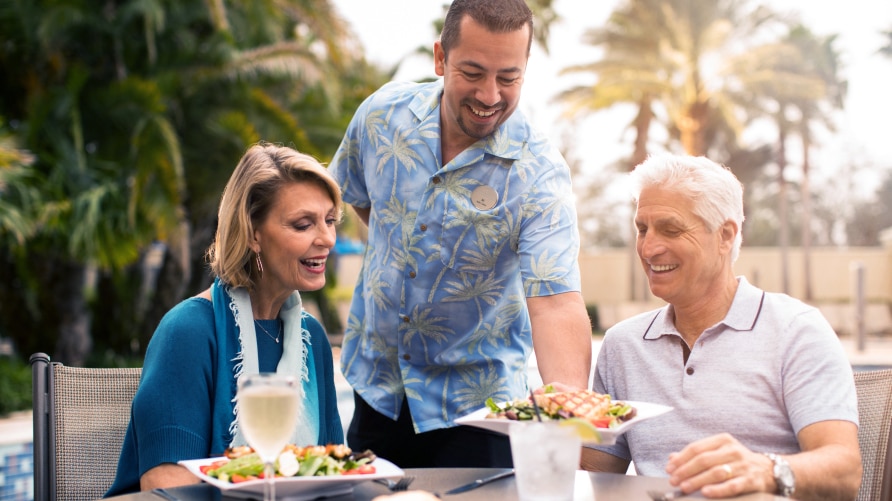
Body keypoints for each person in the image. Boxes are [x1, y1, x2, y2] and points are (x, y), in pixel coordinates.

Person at [329, 0, 592, 468]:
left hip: (478, 415)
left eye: (508, 77)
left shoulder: (540, 174)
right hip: (376, 392)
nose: (490, 95)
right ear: (440, 58)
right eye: (473, 72)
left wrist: (566, 414)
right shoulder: (380, 117)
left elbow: (555, 302)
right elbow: (358, 197)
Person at [581, 153, 862, 500]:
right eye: (642, 229)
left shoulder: (796, 331)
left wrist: (766, 470)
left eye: (670, 229)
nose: (649, 248)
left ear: (726, 235)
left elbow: (845, 471)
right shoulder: (622, 345)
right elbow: (591, 479)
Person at [106, 143, 345, 495]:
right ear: (252, 234)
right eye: (303, 224)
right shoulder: (187, 333)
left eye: (329, 221)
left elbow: (333, 474)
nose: (326, 239)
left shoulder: (313, 339)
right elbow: (167, 490)